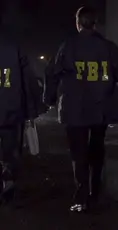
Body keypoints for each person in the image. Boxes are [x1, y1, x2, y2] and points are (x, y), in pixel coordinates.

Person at [44, 6, 118, 212]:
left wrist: (50, 98)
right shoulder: (108, 47)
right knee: (97, 150)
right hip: (100, 107)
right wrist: (103, 77)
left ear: (78, 23)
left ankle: (81, 196)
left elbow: (52, 73)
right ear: (95, 23)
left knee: (78, 153)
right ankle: (95, 193)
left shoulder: (68, 46)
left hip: (74, 108)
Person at [0, 4, 41, 203]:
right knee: (11, 153)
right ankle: (8, 185)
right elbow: (27, 81)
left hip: (11, 109)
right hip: (10, 110)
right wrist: (31, 111)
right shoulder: (14, 48)